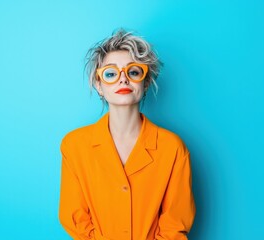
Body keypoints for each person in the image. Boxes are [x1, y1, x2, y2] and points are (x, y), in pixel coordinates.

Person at [59, 28, 196, 240]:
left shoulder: (172, 148)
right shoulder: (74, 146)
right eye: (111, 74)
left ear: (146, 81)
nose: (123, 80)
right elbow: (76, 220)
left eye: (133, 72)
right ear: (99, 85)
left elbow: (174, 225)